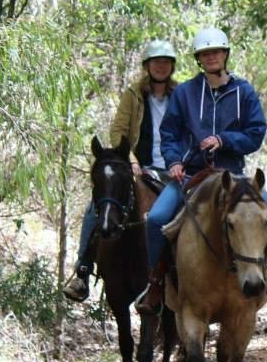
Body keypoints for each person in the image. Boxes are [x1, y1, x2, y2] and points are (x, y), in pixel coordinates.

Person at [134, 27, 267, 313]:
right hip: (191, 175)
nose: (211, 57)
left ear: (225, 54)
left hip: (232, 176)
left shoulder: (243, 91)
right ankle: (155, 284)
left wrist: (224, 140)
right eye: (205, 53)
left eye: (216, 52)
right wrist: (173, 161)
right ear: (198, 58)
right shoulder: (184, 93)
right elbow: (169, 132)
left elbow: (256, 133)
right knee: (156, 218)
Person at [62, 39, 179, 302]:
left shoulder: (181, 94)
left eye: (166, 62)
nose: (161, 67)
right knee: (97, 207)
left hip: (173, 168)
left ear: (172, 66)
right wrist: (131, 159)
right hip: (140, 166)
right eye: (156, 62)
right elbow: (118, 131)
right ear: (147, 66)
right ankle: (83, 271)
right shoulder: (134, 94)